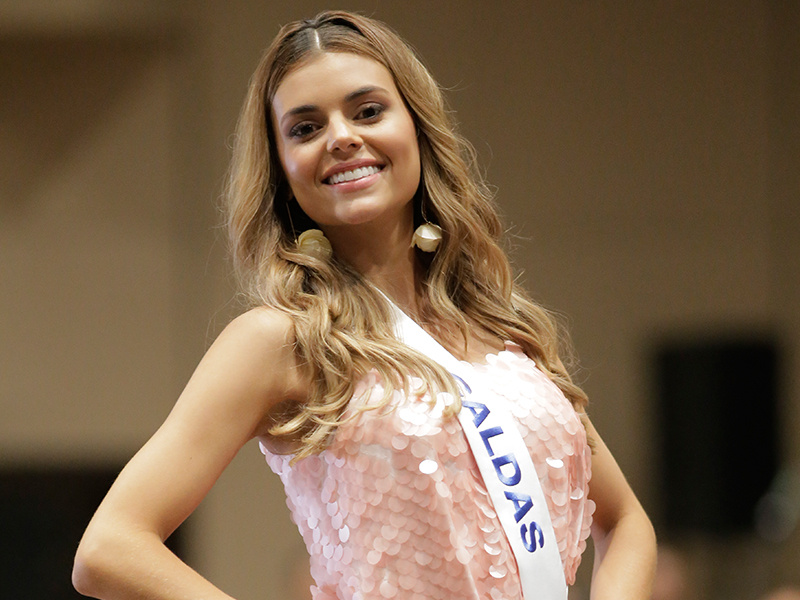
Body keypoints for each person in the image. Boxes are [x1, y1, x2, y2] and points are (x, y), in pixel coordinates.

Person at [72, 10, 656, 600]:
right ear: (282, 169)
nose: (342, 136)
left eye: (368, 110)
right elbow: (108, 548)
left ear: (418, 129)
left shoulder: (503, 329)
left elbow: (627, 521)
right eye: (305, 128)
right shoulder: (284, 340)